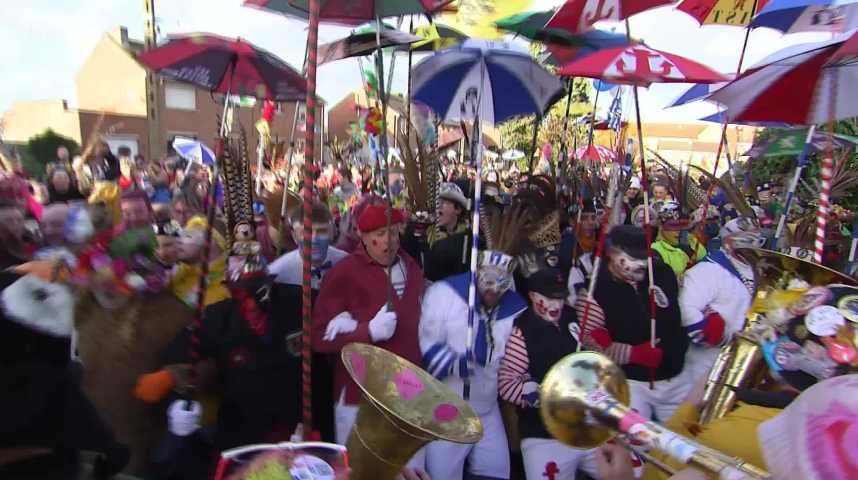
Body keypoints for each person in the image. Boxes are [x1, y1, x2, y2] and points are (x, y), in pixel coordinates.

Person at [312, 202, 426, 467]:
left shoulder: (413, 268)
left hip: (410, 395)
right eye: (380, 235)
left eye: (394, 233)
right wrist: (367, 331)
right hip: (360, 397)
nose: (389, 241)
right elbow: (319, 337)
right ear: (363, 237)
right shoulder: (343, 274)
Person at [419, 250, 527, 479]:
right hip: (446, 409)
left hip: (487, 409)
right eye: (488, 280)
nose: (495, 289)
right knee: (442, 474)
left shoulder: (512, 310)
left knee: (496, 471)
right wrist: (453, 364)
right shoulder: (444, 295)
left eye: (503, 282)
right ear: (477, 273)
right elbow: (425, 341)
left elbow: (514, 353)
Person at [578, 225, 690, 421]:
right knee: (635, 443)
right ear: (612, 254)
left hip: (676, 378)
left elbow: (681, 308)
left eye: (643, 256)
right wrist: (633, 354)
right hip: (630, 384)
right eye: (631, 257)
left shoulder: (662, 273)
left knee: (683, 440)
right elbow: (590, 344)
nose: (641, 263)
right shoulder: (594, 291)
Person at [499, 268, 601, 480]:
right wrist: (544, 395)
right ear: (533, 296)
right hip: (544, 435)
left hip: (586, 425)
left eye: (560, 298)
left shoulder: (573, 318)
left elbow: (594, 353)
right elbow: (506, 383)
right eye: (549, 298)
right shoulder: (522, 331)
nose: (556, 304)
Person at [267, 201, 348, 441]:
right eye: (306, 233)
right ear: (293, 234)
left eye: (321, 232)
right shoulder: (279, 272)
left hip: (336, 362)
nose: (313, 240)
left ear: (333, 231)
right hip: (298, 367)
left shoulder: (345, 263)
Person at [678, 217, 764, 383]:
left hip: (744, 362)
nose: (754, 243)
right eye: (747, 238)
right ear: (729, 242)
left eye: (756, 237)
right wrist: (713, 333)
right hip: (704, 364)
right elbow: (684, 308)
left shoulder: (761, 269)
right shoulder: (708, 270)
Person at [651, 201, 706, 278]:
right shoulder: (656, 251)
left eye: (682, 226)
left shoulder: (693, 241)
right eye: (673, 226)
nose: (678, 231)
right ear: (661, 227)